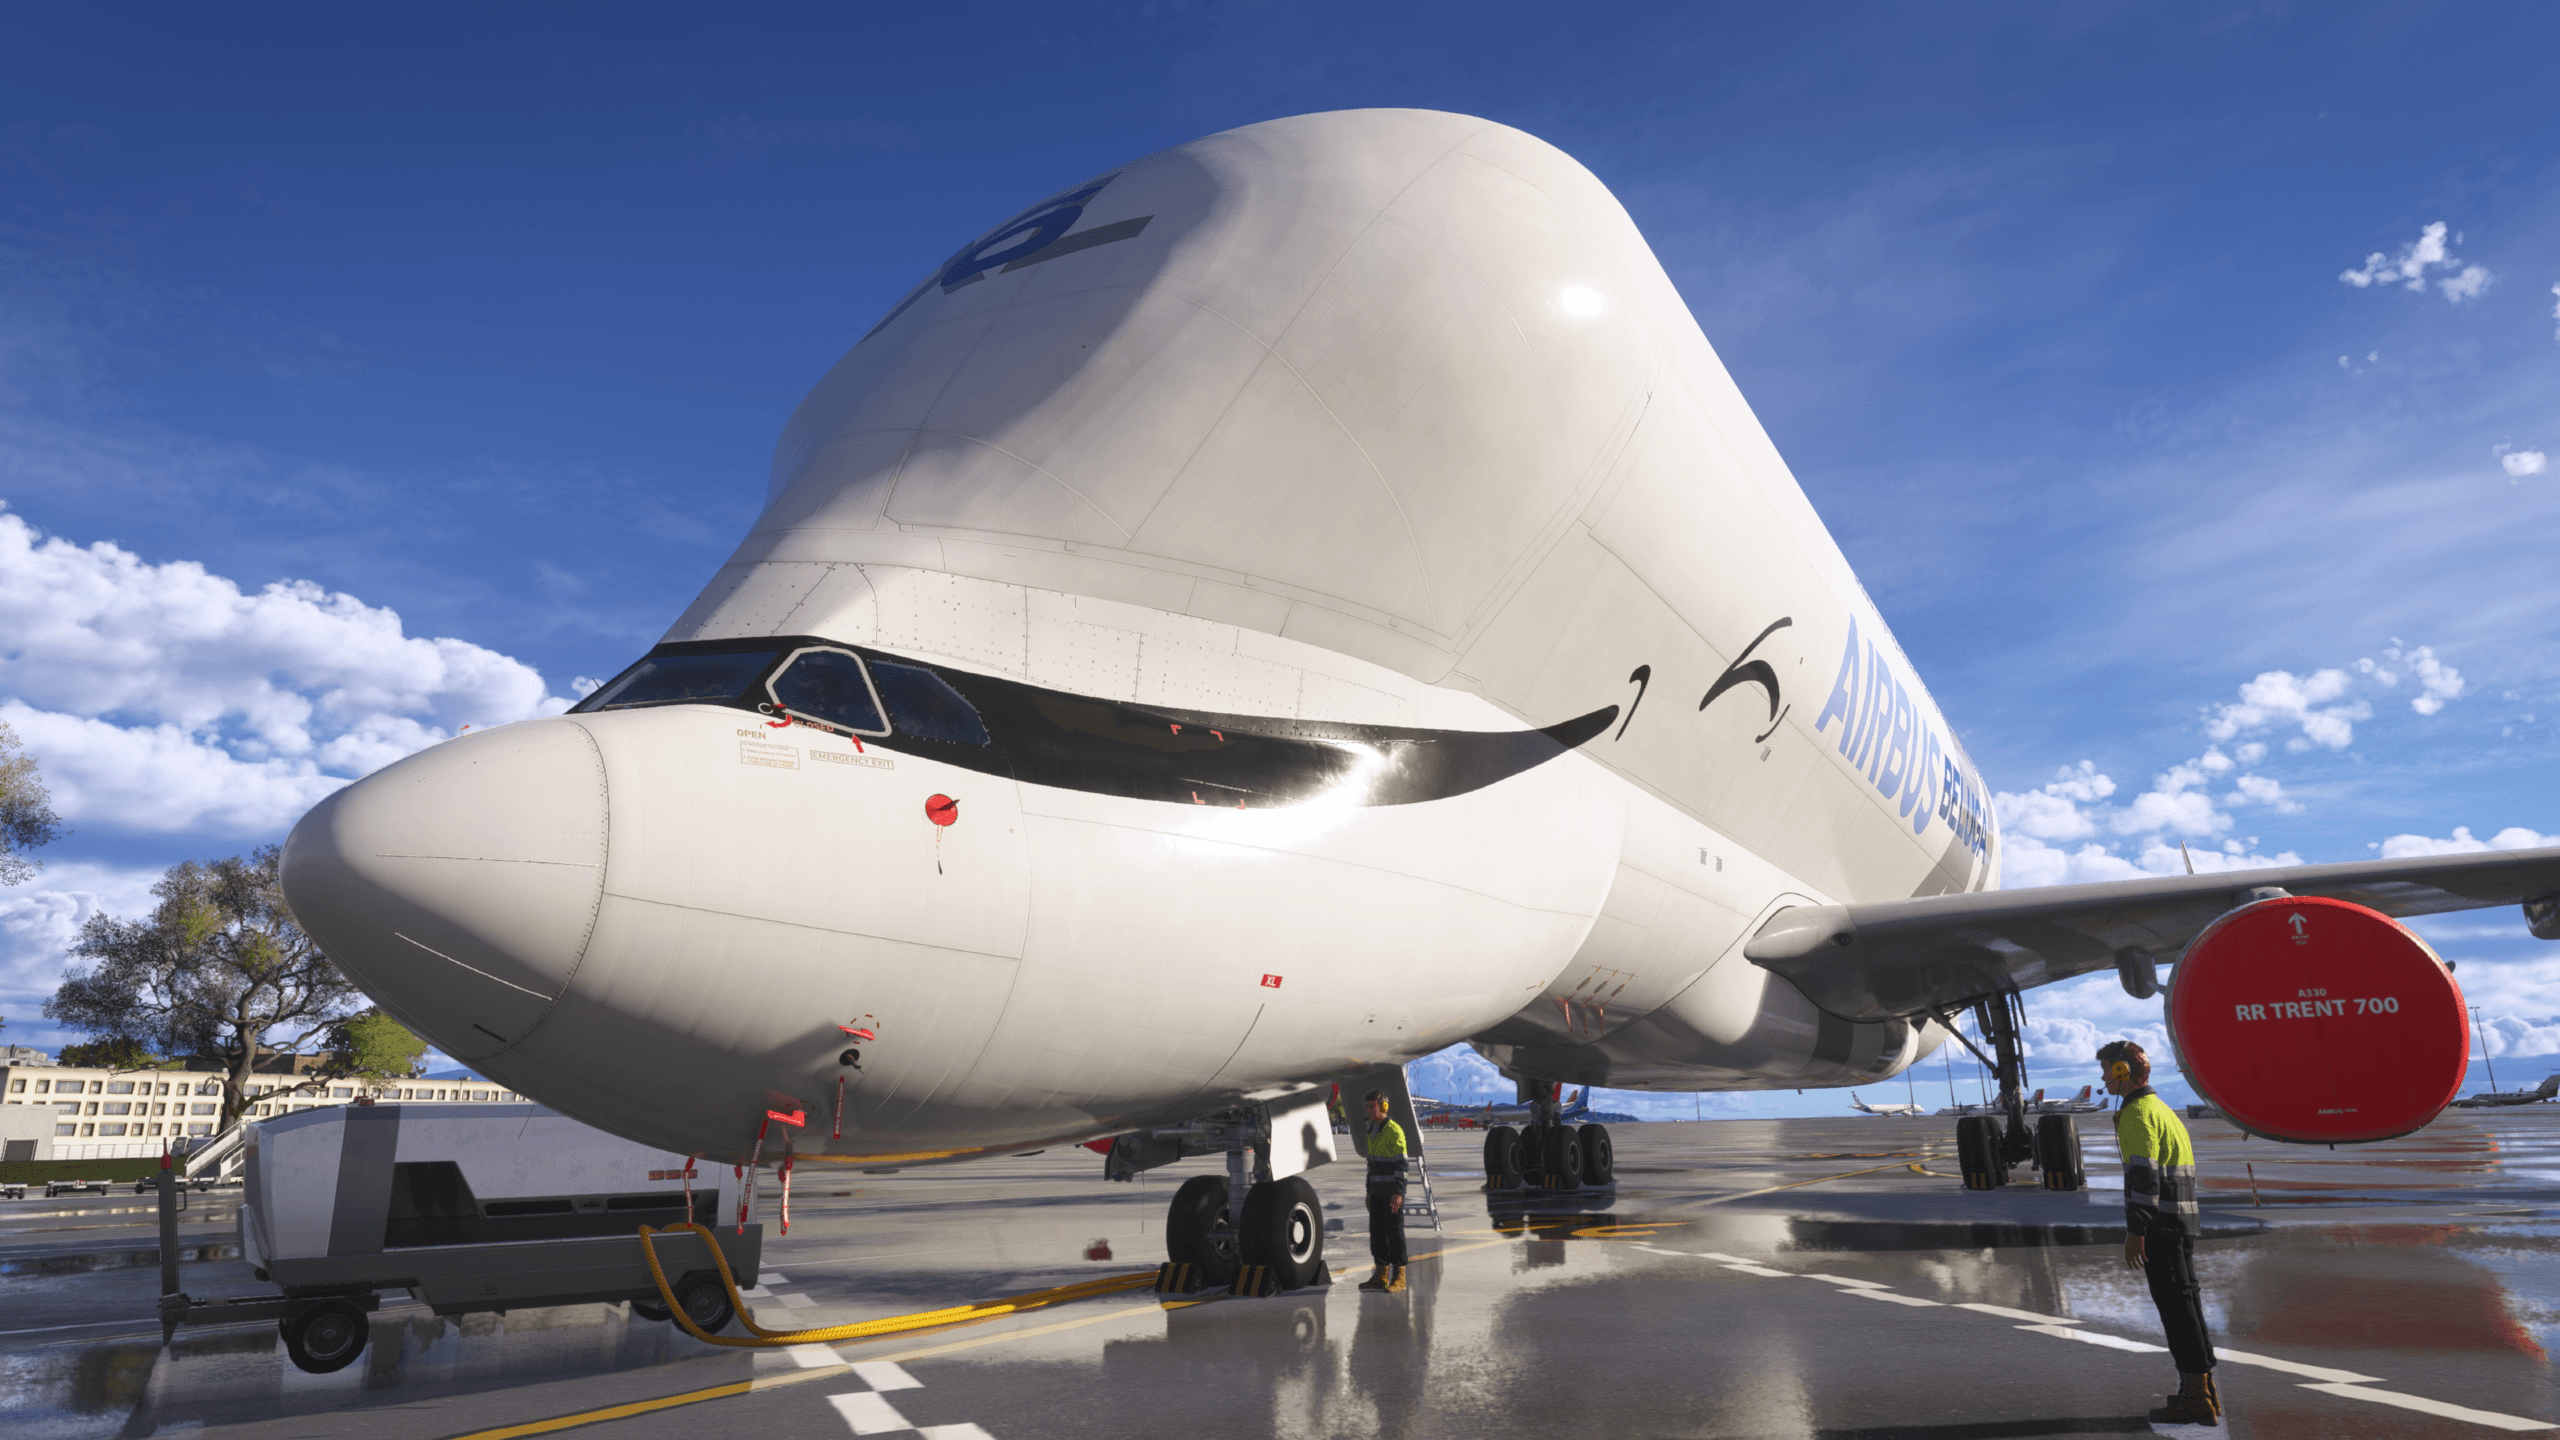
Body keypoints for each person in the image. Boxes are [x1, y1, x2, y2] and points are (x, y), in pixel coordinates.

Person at [2100, 1039, 2220, 1426]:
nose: (2103, 1079)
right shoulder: (2164, 1111)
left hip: (2161, 1228)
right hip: (2183, 1223)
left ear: (2122, 1072)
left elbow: (2144, 1180)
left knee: (2176, 1312)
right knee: (2189, 1307)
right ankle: (2203, 1391)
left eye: (2107, 1071)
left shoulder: (2138, 1115)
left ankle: (2195, 1399)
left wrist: (2137, 1232)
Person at [1358, 1089, 1409, 1293]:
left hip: (1391, 1192)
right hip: (1377, 1191)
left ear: (1384, 1107)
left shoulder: (1394, 1131)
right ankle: (1380, 1275)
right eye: (1368, 1106)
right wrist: (1369, 1192)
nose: (1369, 1110)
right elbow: (1372, 1164)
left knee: (1394, 1234)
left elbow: (1402, 1166)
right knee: (1377, 1234)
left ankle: (1400, 1277)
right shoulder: (1373, 1130)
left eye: (1373, 1106)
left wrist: (1399, 1193)